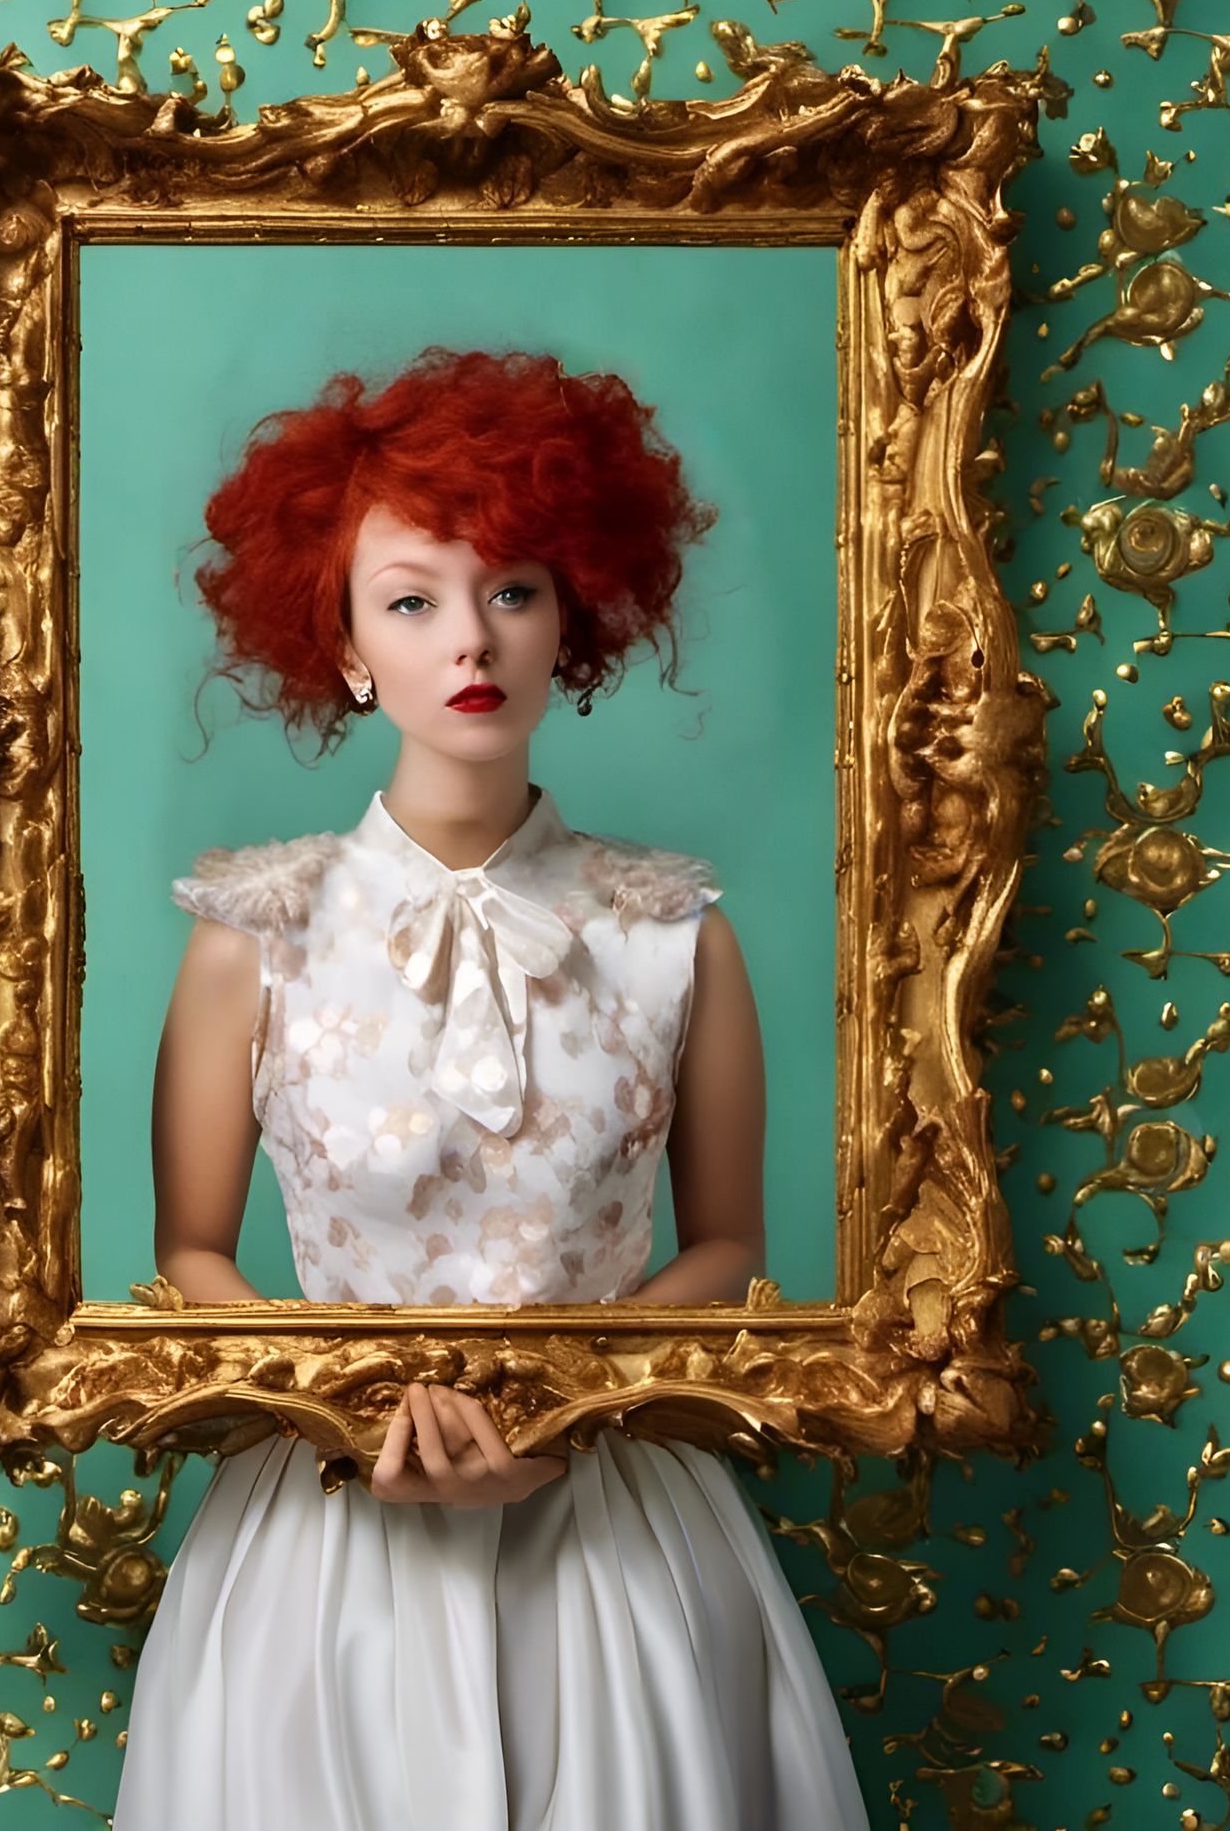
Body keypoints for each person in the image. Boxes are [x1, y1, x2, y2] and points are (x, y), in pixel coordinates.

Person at [111, 347, 870, 1829]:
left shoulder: (673, 930)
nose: (470, 636)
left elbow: (729, 1246)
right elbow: (189, 1255)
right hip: (326, 1544)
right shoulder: (254, 932)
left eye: (511, 588)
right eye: (411, 600)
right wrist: (348, 1414)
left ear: (569, 613)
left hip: (619, 1536)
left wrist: (559, 1411)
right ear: (342, 643)